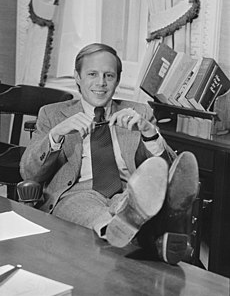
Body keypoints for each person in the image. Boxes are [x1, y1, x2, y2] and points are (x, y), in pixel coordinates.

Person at [20, 43, 199, 265]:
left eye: (109, 75)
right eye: (92, 74)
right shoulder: (53, 114)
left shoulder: (139, 112)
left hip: (130, 190)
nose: (101, 83)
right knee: (100, 213)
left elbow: (170, 169)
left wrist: (150, 133)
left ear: (117, 79)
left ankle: (132, 212)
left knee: (130, 199)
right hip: (76, 194)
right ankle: (154, 229)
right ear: (77, 76)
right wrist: (56, 135)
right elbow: (29, 172)